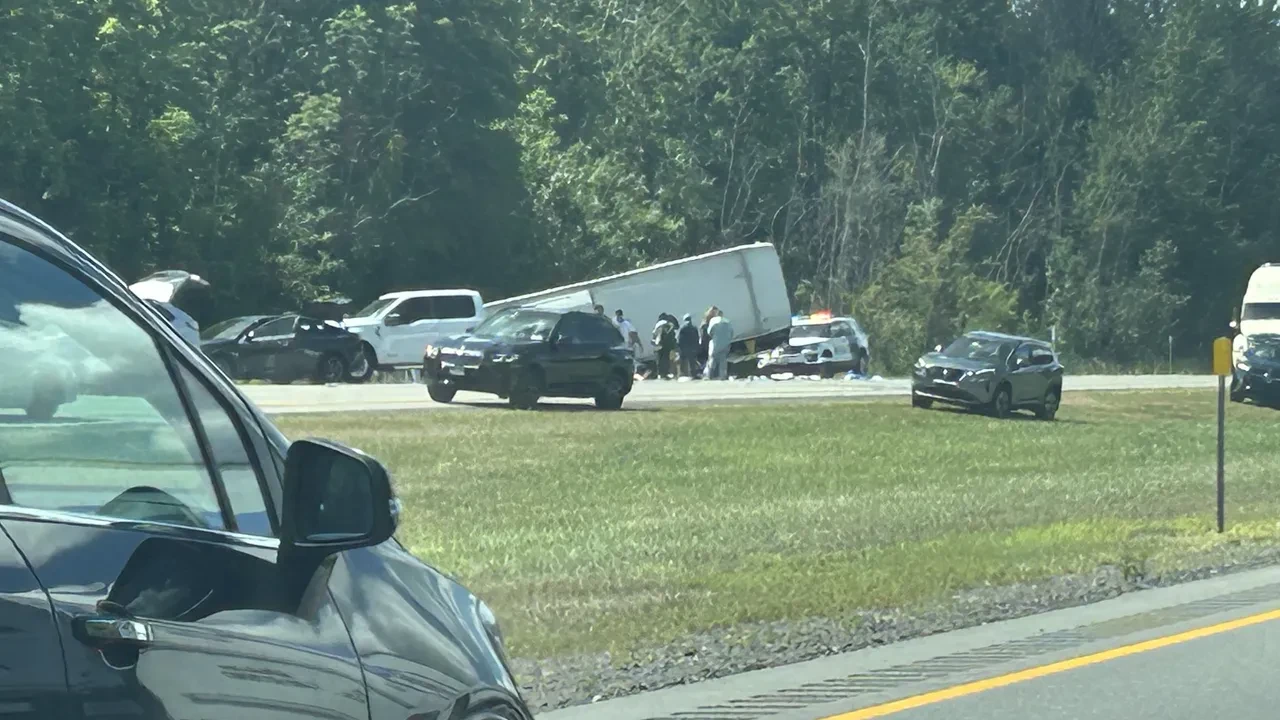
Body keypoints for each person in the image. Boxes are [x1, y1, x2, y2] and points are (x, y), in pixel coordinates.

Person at [706, 308, 734, 380]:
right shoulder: (728, 321)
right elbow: (731, 333)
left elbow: (709, 332)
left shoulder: (713, 321)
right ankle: (722, 376)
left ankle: (710, 375)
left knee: (713, 359)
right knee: (723, 360)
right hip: (725, 344)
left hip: (716, 343)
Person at [652, 313, 677, 379]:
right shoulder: (667, 324)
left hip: (658, 345)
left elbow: (654, 334)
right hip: (665, 345)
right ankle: (665, 373)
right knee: (665, 359)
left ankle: (660, 374)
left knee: (659, 360)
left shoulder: (658, 325)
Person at [677, 313, 700, 378]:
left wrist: (678, 347)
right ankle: (693, 375)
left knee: (682, 361)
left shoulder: (682, 327)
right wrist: (697, 347)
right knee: (692, 362)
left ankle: (681, 374)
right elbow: (697, 338)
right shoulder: (694, 327)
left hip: (683, 348)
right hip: (692, 348)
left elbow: (678, 338)